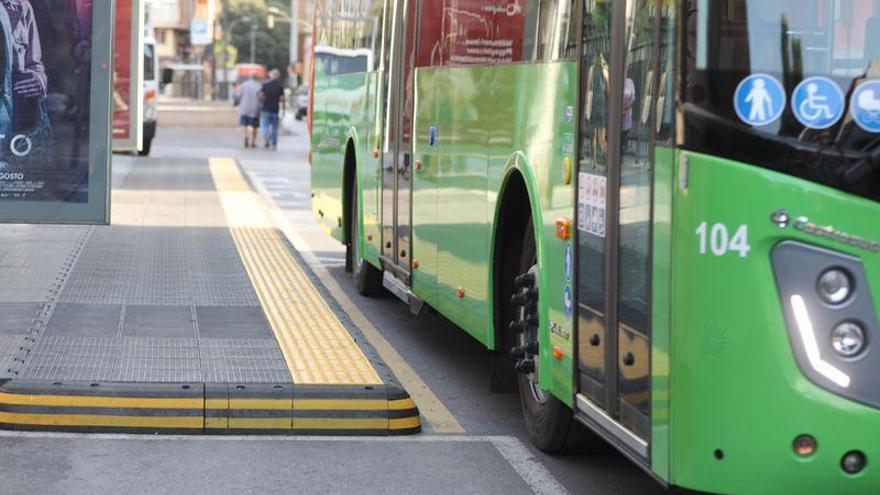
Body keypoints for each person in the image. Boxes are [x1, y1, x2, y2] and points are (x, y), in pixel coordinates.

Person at [259, 69, 285, 149]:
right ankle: (274, 144)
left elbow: (261, 96)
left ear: (270, 76)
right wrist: (284, 109)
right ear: (278, 77)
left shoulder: (265, 85)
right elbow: (282, 99)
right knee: (274, 128)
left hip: (265, 109)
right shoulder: (280, 86)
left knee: (264, 126)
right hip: (275, 110)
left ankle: (266, 135)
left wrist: (262, 102)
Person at [238, 73, 262, 148]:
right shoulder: (260, 86)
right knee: (254, 126)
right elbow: (261, 97)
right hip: (255, 108)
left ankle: (246, 136)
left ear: (249, 77)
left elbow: (239, 95)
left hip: (244, 107)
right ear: (257, 78)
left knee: (244, 124)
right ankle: (253, 142)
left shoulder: (244, 85)